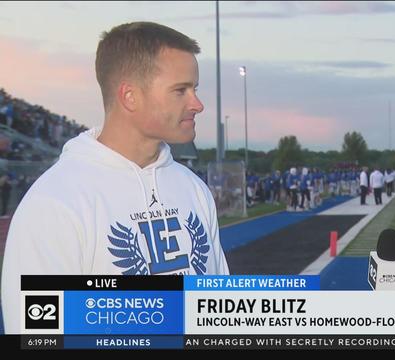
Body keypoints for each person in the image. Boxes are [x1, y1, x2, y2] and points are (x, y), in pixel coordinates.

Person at [1, 22, 229, 333]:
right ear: (130, 96)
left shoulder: (193, 188)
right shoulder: (55, 202)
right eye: (180, 90)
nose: (197, 104)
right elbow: (39, 332)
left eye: (195, 89)